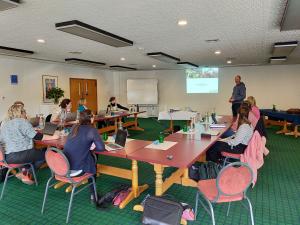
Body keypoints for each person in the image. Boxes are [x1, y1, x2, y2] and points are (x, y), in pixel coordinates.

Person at [0, 104, 59, 185]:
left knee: (33, 154)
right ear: (21, 113)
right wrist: (54, 136)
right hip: (20, 155)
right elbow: (37, 137)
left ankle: (25, 172)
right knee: (46, 154)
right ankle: (27, 173)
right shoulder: (22, 121)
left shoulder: (5, 124)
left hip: (6, 157)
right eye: (24, 111)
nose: (26, 113)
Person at [63, 109, 105, 201]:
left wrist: (88, 146)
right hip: (77, 169)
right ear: (91, 118)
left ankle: (92, 190)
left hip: (64, 167)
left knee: (89, 156)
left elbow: (78, 141)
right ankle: (93, 194)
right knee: (94, 158)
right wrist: (92, 147)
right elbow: (101, 148)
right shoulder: (92, 130)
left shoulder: (74, 127)